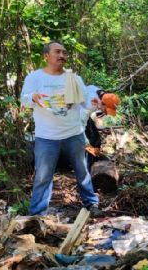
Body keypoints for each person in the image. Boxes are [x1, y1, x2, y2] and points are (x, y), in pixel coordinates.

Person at [20, 40, 102, 217]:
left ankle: (91, 205)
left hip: (74, 134)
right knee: (43, 177)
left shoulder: (74, 78)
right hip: (46, 136)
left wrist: (94, 104)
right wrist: (33, 97)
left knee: (83, 171)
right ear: (46, 56)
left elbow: (85, 102)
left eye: (64, 53)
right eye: (57, 52)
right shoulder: (35, 78)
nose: (62, 56)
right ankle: (37, 214)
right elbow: (24, 100)